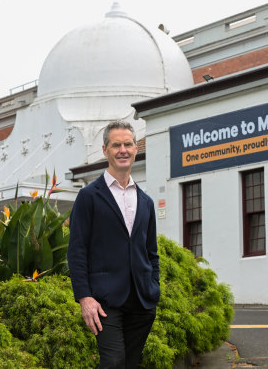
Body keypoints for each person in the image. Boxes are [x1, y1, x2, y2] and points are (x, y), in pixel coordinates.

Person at [67, 120, 160, 368]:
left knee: (130, 363)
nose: (123, 150)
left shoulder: (146, 201)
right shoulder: (89, 197)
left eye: (128, 144)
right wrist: (84, 297)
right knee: (114, 362)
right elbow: (76, 252)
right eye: (116, 145)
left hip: (142, 300)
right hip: (104, 301)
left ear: (135, 149)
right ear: (105, 149)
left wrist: (154, 288)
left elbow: (151, 253)